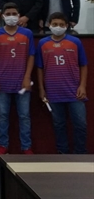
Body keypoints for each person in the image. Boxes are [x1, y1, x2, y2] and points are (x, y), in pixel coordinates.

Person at [0, 2, 35, 158]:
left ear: (19, 16)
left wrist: (27, 77)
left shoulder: (27, 34)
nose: (12, 16)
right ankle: (2, 146)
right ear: (3, 16)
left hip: (22, 83)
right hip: (1, 82)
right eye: (8, 14)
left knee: (24, 116)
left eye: (14, 14)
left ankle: (26, 147)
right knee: (2, 115)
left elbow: (31, 55)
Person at [36, 12, 88, 154]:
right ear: (49, 25)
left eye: (61, 25)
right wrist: (42, 89)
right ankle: (62, 153)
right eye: (54, 24)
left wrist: (82, 85)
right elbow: (39, 68)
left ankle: (80, 154)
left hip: (74, 91)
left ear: (66, 26)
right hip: (53, 92)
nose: (57, 27)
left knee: (80, 124)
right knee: (59, 125)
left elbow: (83, 65)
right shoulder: (43, 43)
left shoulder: (75, 42)